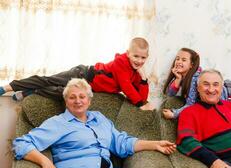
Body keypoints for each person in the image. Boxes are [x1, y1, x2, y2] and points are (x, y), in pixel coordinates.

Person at [12, 78, 176, 168]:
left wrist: (155, 144)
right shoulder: (58, 122)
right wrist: (45, 162)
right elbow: (21, 144)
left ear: (89, 101)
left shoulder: (99, 119)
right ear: (66, 101)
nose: (77, 101)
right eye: (72, 97)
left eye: (82, 96)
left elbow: (121, 143)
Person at [0, 37, 154, 110]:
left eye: (143, 58)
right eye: (136, 56)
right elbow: (127, 88)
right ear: (128, 53)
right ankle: (9, 86)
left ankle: (32, 92)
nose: (139, 61)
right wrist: (141, 104)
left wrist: (144, 78)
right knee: (49, 80)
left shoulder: (136, 73)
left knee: (63, 94)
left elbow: (141, 97)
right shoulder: (122, 62)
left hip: (88, 87)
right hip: (83, 74)